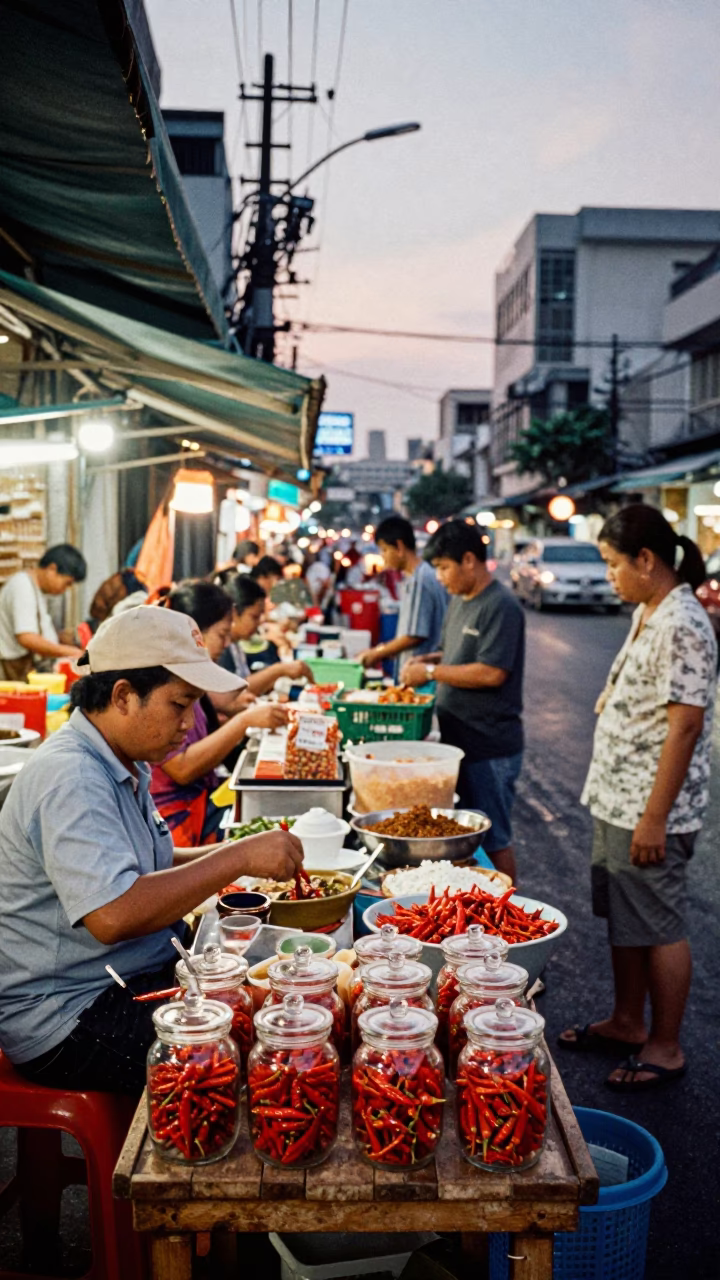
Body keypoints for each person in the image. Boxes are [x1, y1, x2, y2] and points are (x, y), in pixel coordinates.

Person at [0, 605, 303, 1092]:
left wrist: (240, 850)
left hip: (127, 978)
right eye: (179, 705)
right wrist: (239, 857)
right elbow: (114, 913)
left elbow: (147, 869)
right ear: (123, 695)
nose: (190, 723)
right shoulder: (72, 775)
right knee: (265, 1053)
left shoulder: (123, 759)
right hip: (72, 1015)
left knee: (283, 1007)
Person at [559, 505, 716, 1092]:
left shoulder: (683, 622)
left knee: (661, 924)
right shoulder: (650, 609)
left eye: (612, 565)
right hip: (617, 797)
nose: (609, 577)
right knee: (624, 916)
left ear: (645, 560)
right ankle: (627, 1022)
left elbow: (685, 726)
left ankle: (666, 1046)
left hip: (650, 809)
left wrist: (655, 818)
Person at [402, 519, 525, 882]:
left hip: (490, 745)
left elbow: (492, 672)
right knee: (466, 840)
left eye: (443, 567)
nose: (439, 577)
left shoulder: (501, 606)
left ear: (469, 560)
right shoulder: (459, 601)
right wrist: (431, 660)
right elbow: (454, 654)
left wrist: (428, 674)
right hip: (459, 740)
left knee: (495, 837)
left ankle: (508, 910)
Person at [150, 582, 287, 845]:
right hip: (176, 820)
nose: (227, 642)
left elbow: (224, 699)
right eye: (222, 634)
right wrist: (243, 721)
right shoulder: (165, 682)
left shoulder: (191, 679)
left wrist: (235, 711)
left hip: (201, 801)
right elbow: (182, 768)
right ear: (195, 634)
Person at [358, 516, 447, 679]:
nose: (382, 556)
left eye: (384, 550)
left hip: (422, 679)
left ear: (399, 547)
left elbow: (414, 636)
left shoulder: (419, 580)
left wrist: (376, 653)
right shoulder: (420, 576)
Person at [0, 543, 87, 678]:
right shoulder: (22, 586)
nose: (66, 589)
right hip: (11, 667)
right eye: (67, 583)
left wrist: (59, 638)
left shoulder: (35, 588)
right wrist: (69, 652)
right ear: (52, 569)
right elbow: (26, 637)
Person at [218, 573, 313, 691]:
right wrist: (279, 670)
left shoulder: (235, 645)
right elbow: (232, 694)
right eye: (254, 617)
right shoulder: (221, 649)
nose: (259, 622)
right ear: (234, 613)